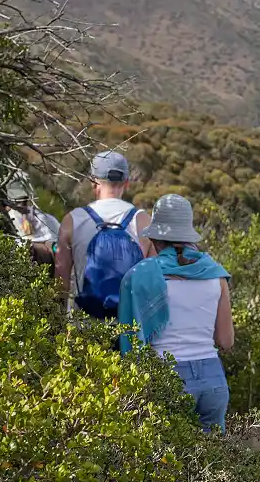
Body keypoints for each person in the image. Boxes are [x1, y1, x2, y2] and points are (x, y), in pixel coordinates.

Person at [118, 194, 233, 432]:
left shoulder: (139, 276)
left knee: (164, 461)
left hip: (167, 377)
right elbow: (226, 341)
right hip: (213, 377)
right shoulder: (216, 274)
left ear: (155, 237)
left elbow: (130, 345)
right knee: (212, 462)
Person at [55, 150, 151, 316]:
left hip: (86, 329)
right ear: (126, 183)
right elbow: (153, 281)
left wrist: (56, 326)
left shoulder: (73, 220)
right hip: (131, 329)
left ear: (93, 182)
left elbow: (61, 284)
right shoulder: (142, 220)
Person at [0, 174, 59, 266]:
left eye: (24, 201)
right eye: (17, 202)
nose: (21, 206)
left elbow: (56, 246)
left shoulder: (44, 219)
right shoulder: (6, 220)